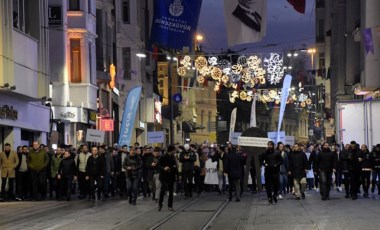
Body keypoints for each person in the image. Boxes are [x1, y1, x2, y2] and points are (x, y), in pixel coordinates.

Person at [158, 145, 178, 211]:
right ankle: (160, 204)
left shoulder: (173, 157)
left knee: (171, 191)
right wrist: (164, 168)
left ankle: (170, 206)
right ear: (171, 150)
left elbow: (175, 166)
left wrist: (178, 174)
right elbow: (158, 165)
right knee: (162, 191)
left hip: (171, 176)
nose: (175, 151)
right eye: (174, 150)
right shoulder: (163, 157)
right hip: (164, 176)